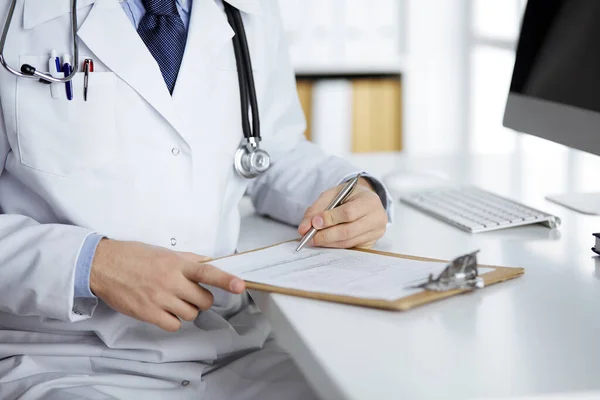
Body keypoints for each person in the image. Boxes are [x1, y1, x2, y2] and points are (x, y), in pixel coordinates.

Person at [0, 0, 392, 398]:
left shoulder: (249, 10)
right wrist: (93, 265)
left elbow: (271, 151)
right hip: (65, 360)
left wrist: (350, 191)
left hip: (233, 351)